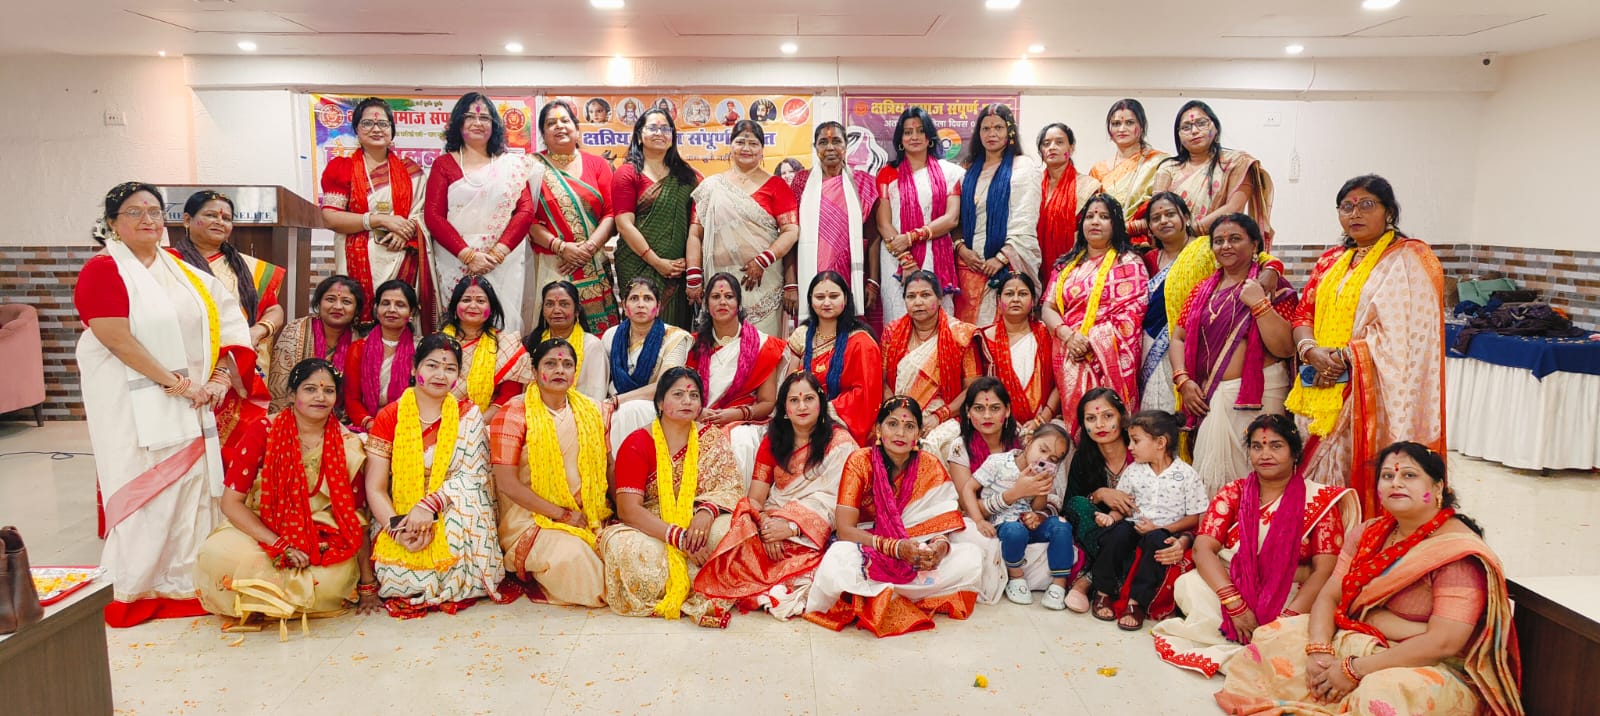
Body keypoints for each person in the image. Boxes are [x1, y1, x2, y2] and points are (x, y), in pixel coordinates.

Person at [1215, 443, 1522, 715]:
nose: (1396, 483)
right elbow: (1329, 596)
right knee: (1275, 636)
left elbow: (1443, 642)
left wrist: (1354, 669)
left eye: (1409, 476)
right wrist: (1319, 650)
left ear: (1438, 487)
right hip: (1361, 638)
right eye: (1387, 476)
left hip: (1429, 663)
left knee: (1380, 694)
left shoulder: (1456, 553)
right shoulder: (1369, 532)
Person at [77, 182, 256, 627]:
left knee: (193, 490)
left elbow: (228, 321)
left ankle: (190, 582)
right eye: (134, 212)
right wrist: (178, 385)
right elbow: (116, 339)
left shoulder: (181, 270)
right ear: (112, 223)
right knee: (146, 494)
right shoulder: (103, 270)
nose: (148, 220)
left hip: (193, 404)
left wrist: (218, 378)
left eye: (155, 212)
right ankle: (138, 587)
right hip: (132, 408)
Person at [1152, 413, 1359, 677]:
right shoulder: (1234, 492)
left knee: (1307, 622)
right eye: (1257, 446)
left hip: (1289, 595)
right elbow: (1203, 548)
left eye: (1276, 446)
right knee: (1189, 584)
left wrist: (1284, 621)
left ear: (1295, 452)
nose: (1265, 454)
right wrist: (1234, 604)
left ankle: (1262, 639)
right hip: (1232, 589)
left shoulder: (1318, 500)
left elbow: (1325, 570)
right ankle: (1244, 640)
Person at [1286, 175, 1445, 517]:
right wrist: (1312, 352)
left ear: (1389, 211)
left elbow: (1405, 332)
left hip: (1369, 390)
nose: (1355, 213)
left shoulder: (1406, 259)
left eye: (1366, 205)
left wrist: (1345, 356)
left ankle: (1359, 532)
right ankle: (1318, 538)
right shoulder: (1330, 261)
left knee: (1354, 473)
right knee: (1308, 479)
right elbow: (1303, 313)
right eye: (1346, 207)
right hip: (1317, 383)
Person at [196, 359, 376, 632]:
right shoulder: (263, 430)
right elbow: (231, 504)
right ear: (292, 395)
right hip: (264, 526)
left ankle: (267, 602)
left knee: (333, 579)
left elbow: (355, 516)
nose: (320, 397)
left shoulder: (348, 444)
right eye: (310, 389)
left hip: (321, 535)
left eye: (328, 391)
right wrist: (279, 544)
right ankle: (280, 600)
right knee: (220, 554)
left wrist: (367, 585)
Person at [804, 396, 984, 637]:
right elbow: (845, 530)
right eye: (892, 424)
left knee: (972, 556)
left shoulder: (930, 465)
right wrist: (895, 548)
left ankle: (883, 592)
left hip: (915, 549)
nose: (900, 433)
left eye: (909, 426)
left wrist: (938, 550)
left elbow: (939, 522)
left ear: (918, 433)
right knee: (838, 559)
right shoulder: (860, 462)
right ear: (879, 429)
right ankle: (900, 592)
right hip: (869, 544)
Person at [364, 335, 506, 617]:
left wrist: (429, 505)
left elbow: (474, 477)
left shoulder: (468, 415)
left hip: (452, 503)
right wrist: (397, 529)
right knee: (398, 568)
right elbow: (375, 488)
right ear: (414, 368)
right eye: (432, 366)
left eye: (450, 368)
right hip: (401, 507)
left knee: (452, 535)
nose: (441, 375)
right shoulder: (390, 416)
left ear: (458, 376)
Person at [694, 372, 856, 618]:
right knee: (738, 537)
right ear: (785, 409)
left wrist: (792, 526)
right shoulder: (774, 441)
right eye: (794, 400)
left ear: (821, 403)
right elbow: (755, 498)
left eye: (809, 399)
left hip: (815, 530)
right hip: (773, 519)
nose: (802, 406)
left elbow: (839, 501)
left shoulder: (840, 443)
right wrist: (767, 527)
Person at [600, 367, 745, 626]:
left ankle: (702, 579)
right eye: (678, 394)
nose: (687, 401)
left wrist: (706, 511)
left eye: (693, 395)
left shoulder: (711, 438)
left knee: (733, 530)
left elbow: (730, 487)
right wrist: (679, 538)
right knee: (627, 548)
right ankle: (699, 582)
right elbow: (628, 510)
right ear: (659, 402)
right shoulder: (637, 443)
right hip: (651, 523)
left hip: (697, 515)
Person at [1171, 214, 1298, 492]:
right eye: (1218, 241)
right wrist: (1183, 380)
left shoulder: (1274, 287)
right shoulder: (1202, 290)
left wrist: (1259, 303)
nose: (1225, 246)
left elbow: (1286, 348)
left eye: (1235, 239)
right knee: (1210, 482)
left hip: (1260, 393)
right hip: (1209, 395)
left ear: (1255, 245)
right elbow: (1178, 337)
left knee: (1259, 473)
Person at [489, 338, 613, 607]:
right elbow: (507, 483)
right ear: (534, 371)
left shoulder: (594, 411)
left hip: (590, 514)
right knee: (579, 562)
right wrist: (562, 514)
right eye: (550, 364)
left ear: (575, 372)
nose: (559, 370)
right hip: (531, 520)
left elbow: (608, 465)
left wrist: (620, 512)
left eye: (567, 364)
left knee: (624, 552)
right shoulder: (513, 413)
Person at [1153, 101, 1278, 345]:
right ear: (1178, 135)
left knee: (1215, 328)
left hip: (1218, 253)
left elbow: (1233, 208)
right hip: (1173, 254)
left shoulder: (1236, 163)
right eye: (1186, 127)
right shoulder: (1168, 168)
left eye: (1201, 123)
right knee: (1172, 330)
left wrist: (1193, 230)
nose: (1194, 130)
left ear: (1216, 128)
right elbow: (1158, 209)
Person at [423, 92, 539, 335]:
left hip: (502, 261)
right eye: (470, 117)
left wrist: (497, 254)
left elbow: (525, 210)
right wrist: (468, 256)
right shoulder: (444, 164)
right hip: (456, 258)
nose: (477, 123)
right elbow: (433, 215)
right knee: (460, 322)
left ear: (494, 125)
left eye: (484, 118)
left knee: (501, 324)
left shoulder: (512, 165)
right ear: (458, 123)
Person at [172, 190, 284, 443]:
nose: (219, 222)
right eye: (211, 215)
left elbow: (274, 308)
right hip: (191, 364)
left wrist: (257, 331)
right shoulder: (168, 263)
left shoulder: (248, 267)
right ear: (187, 220)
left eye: (226, 218)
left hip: (239, 364)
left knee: (240, 444)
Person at [1042, 194, 1150, 437]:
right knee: (1080, 427)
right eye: (1090, 216)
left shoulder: (1129, 263)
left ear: (1115, 223)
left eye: (1104, 216)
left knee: (1109, 425)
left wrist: (1091, 341)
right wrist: (1069, 337)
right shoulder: (1065, 265)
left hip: (1105, 356)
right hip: (1069, 353)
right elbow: (1048, 307)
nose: (1095, 221)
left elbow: (1133, 314)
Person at [1088, 410, 1206, 631]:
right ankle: (1103, 592)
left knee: (1157, 541)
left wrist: (1161, 528)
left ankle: (1136, 603)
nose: (1130, 447)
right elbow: (1124, 508)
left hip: (1165, 530)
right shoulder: (1133, 472)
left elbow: (1193, 518)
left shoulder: (1187, 475)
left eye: (1136, 441)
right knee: (1116, 534)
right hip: (1134, 525)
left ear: (1160, 443)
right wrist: (1110, 517)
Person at [319, 97, 429, 327]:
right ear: (357, 131)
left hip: (400, 256)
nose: (376, 129)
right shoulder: (342, 168)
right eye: (368, 123)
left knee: (397, 319)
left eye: (383, 124)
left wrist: (405, 231)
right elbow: (330, 217)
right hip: (356, 259)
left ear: (392, 130)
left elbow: (423, 213)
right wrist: (379, 220)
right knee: (356, 322)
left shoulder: (411, 171)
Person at [688, 119, 799, 335]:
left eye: (753, 143)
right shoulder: (711, 186)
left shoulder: (776, 186)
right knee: (722, 346)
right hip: (719, 284)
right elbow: (695, 233)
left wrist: (762, 260)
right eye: (740, 142)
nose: (746, 148)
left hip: (764, 285)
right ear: (731, 146)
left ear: (762, 150)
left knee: (763, 347)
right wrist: (693, 277)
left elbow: (791, 231)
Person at [527, 99, 619, 334]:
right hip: (552, 264)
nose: (559, 126)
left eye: (565, 121)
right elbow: (526, 218)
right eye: (551, 123)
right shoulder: (531, 167)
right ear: (543, 134)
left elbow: (611, 213)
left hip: (593, 260)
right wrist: (561, 247)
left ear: (577, 129)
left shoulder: (598, 164)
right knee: (551, 334)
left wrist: (588, 248)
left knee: (598, 337)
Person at [684, 272, 785, 479]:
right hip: (698, 416)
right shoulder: (691, 346)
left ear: (739, 304)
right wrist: (698, 412)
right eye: (716, 297)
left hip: (744, 421)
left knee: (741, 441)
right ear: (706, 304)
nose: (722, 302)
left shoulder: (763, 346)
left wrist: (737, 414)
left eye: (729, 296)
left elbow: (767, 403)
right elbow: (681, 392)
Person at [953, 103, 1043, 326]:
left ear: (1009, 131)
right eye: (986, 128)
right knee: (968, 333)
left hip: (1008, 265)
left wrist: (1001, 258)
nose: (991, 133)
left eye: (998, 128)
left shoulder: (1023, 167)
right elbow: (957, 219)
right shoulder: (968, 171)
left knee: (1001, 332)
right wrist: (962, 249)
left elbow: (1025, 219)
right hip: (970, 267)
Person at [873, 107, 963, 329]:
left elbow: (952, 218)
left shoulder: (950, 173)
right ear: (900, 139)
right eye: (908, 132)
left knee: (938, 321)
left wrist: (912, 237)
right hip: (896, 258)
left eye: (920, 131)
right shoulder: (887, 173)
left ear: (929, 137)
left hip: (936, 254)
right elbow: (883, 223)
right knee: (899, 320)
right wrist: (906, 260)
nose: (914, 136)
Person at [613, 108, 702, 330]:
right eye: (652, 128)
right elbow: (624, 224)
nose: (659, 133)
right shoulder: (627, 173)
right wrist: (657, 262)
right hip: (636, 264)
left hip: (676, 270)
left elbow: (695, 225)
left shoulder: (688, 177)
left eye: (666, 129)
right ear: (639, 136)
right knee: (640, 325)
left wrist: (689, 263)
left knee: (674, 332)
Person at [969, 423, 1074, 609]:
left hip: (1028, 522)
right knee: (1015, 531)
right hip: (1005, 522)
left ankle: (1059, 584)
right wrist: (978, 520)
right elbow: (968, 488)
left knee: (1062, 525)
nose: (1044, 459)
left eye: (1053, 459)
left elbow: (1038, 507)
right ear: (1029, 441)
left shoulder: (1043, 473)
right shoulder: (998, 462)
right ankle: (1016, 576)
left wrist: (1041, 495)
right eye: (1042, 450)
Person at [789, 121, 881, 322]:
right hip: (811, 271)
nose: (830, 147)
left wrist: (873, 281)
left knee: (850, 328)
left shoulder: (862, 182)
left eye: (836, 141)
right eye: (823, 142)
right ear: (815, 147)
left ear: (846, 146)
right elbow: (790, 234)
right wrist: (791, 283)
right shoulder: (802, 181)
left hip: (850, 270)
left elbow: (873, 236)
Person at [881, 270, 979, 448]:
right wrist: (897, 411)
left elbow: (973, 388)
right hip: (899, 412)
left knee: (934, 443)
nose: (918, 302)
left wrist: (939, 415)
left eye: (925, 295)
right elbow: (882, 381)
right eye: (911, 296)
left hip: (946, 415)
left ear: (940, 298)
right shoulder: (892, 332)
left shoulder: (960, 334)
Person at [784, 271, 883, 446]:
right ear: (810, 300)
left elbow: (864, 396)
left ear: (846, 298)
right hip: (802, 416)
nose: (826, 303)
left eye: (834, 296)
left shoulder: (861, 342)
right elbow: (789, 384)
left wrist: (821, 411)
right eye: (820, 297)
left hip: (840, 423)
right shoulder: (802, 335)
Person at [1060, 387, 1133, 613]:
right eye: (1091, 418)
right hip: (1098, 532)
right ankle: (1110, 577)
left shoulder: (1141, 452)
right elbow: (1069, 506)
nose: (1100, 425)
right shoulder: (1084, 458)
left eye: (1108, 416)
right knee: (1079, 505)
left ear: (1122, 418)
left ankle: (1088, 580)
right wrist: (1099, 494)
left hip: (1135, 529)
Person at [603, 277, 694, 450]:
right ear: (625, 307)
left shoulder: (675, 338)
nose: (641, 304)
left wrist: (617, 401)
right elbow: (603, 381)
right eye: (634, 298)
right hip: (612, 407)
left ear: (658, 307)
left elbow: (665, 386)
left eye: (647, 299)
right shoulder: (611, 336)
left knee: (631, 410)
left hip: (655, 407)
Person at [976, 273, 1058, 436]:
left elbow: (1060, 382)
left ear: (1033, 301)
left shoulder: (1047, 334)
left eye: (1022, 294)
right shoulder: (983, 339)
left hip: (1045, 421)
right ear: (998, 300)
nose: (1015, 299)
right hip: (997, 423)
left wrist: (1042, 419)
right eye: (1009, 294)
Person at [440, 276, 531, 423]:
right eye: (466, 300)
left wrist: (474, 426)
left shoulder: (506, 345)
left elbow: (509, 394)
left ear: (492, 308)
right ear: (455, 306)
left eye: (480, 301)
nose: (473, 306)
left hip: (486, 424)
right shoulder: (436, 343)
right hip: (436, 420)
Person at [269, 275, 363, 413]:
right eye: (330, 299)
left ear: (356, 310)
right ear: (318, 303)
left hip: (345, 419)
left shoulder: (361, 341)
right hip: (295, 416)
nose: (337, 306)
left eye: (346, 302)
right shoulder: (295, 330)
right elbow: (280, 386)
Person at [1137, 192, 1194, 414]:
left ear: (1186, 218)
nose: (1163, 221)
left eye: (1170, 214)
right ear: (1150, 228)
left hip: (1191, 342)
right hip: (1152, 344)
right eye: (1156, 218)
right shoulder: (1148, 260)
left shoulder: (1206, 250)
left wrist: (1273, 269)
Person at [344, 280, 419, 431]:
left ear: (411, 312)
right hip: (367, 426)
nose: (391, 310)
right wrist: (371, 424)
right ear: (376, 309)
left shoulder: (420, 350)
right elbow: (352, 399)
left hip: (409, 425)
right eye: (385, 303)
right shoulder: (359, 348)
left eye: (400, 305)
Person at [1089, 99, 1169, 239]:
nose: (1122, 129)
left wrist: (1130, 227)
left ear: (1142, 126)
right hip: (1106, 242)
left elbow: (1166, 209)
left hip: (1146, 241)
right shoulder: (1098, 170)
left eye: (1129, 123)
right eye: (1116, 124)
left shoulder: (1159, 162)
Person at [1035, 122, 1104, 277]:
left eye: (1059, 142)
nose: (1052, 147)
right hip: (1034, 266)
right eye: (1046, 143)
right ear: (1041, 150)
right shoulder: (1033, 185)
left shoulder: (1087, 186)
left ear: (1071, 148)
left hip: (1075, 268)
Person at [529, 280, 609, 403]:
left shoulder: (591, 345)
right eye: (549, 304)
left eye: (564, 304)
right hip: (536, 409)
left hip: (582, 409)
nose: (556, 310)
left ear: (576, 311)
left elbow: (596, 395)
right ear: (543, 311)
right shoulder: (533, 343)